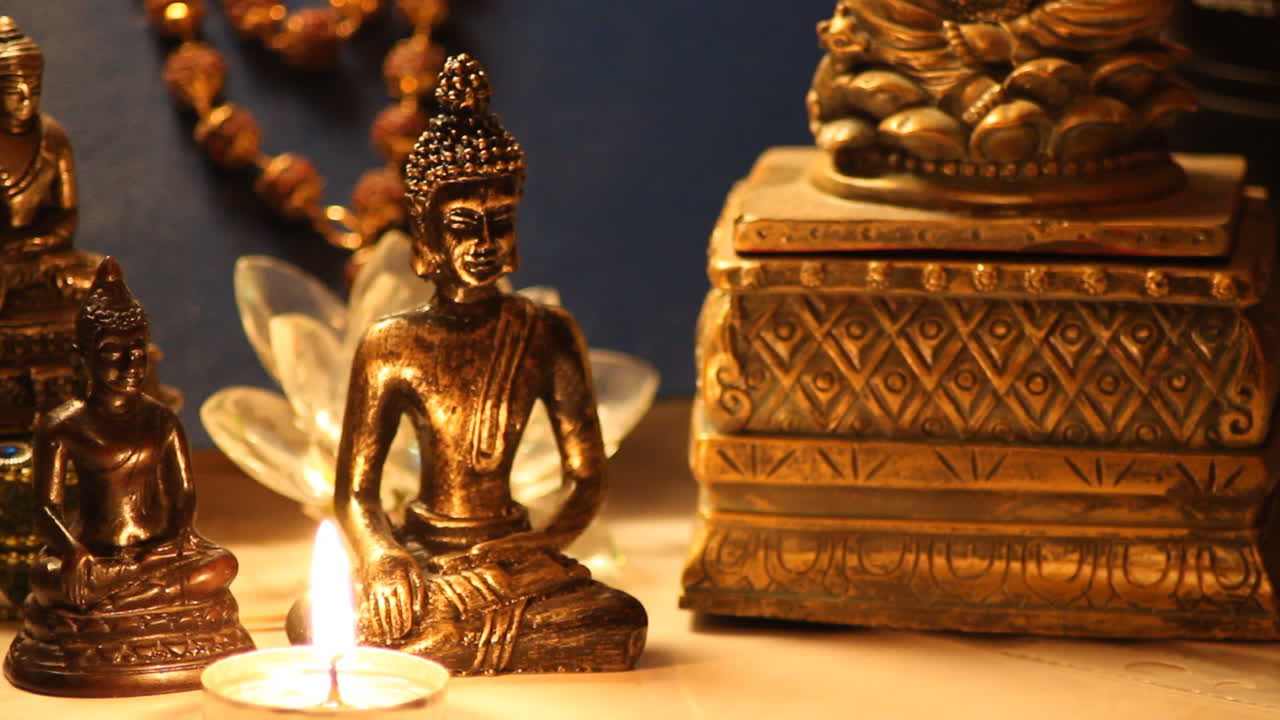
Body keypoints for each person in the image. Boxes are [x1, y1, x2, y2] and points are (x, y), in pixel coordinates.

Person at [332, 54, 646, 675]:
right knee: (324, 618)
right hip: (426, 557)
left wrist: (537, 546)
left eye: (498, 224)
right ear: (427, 236)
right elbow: (355, 494)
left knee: (620, 619)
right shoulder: (391, 342)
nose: (483, 245)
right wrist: (384, 561)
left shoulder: (545, 332)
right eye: (462, 227)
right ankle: (436, 637)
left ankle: (434, 650)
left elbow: (587, 479)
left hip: (516, 558)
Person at [5, 258, 253, 697]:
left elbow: (183, 497)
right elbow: (47, 508)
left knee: (220, 566)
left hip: (158, 556)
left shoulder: (161, 420)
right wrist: (74, 550)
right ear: (81, 358)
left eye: (138, 349)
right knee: (47, 577)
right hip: (92, 555)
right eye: (113, 352)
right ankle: (110, 600)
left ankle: (104, 606)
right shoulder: (61, 425)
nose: (130, 362)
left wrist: (165, 546)